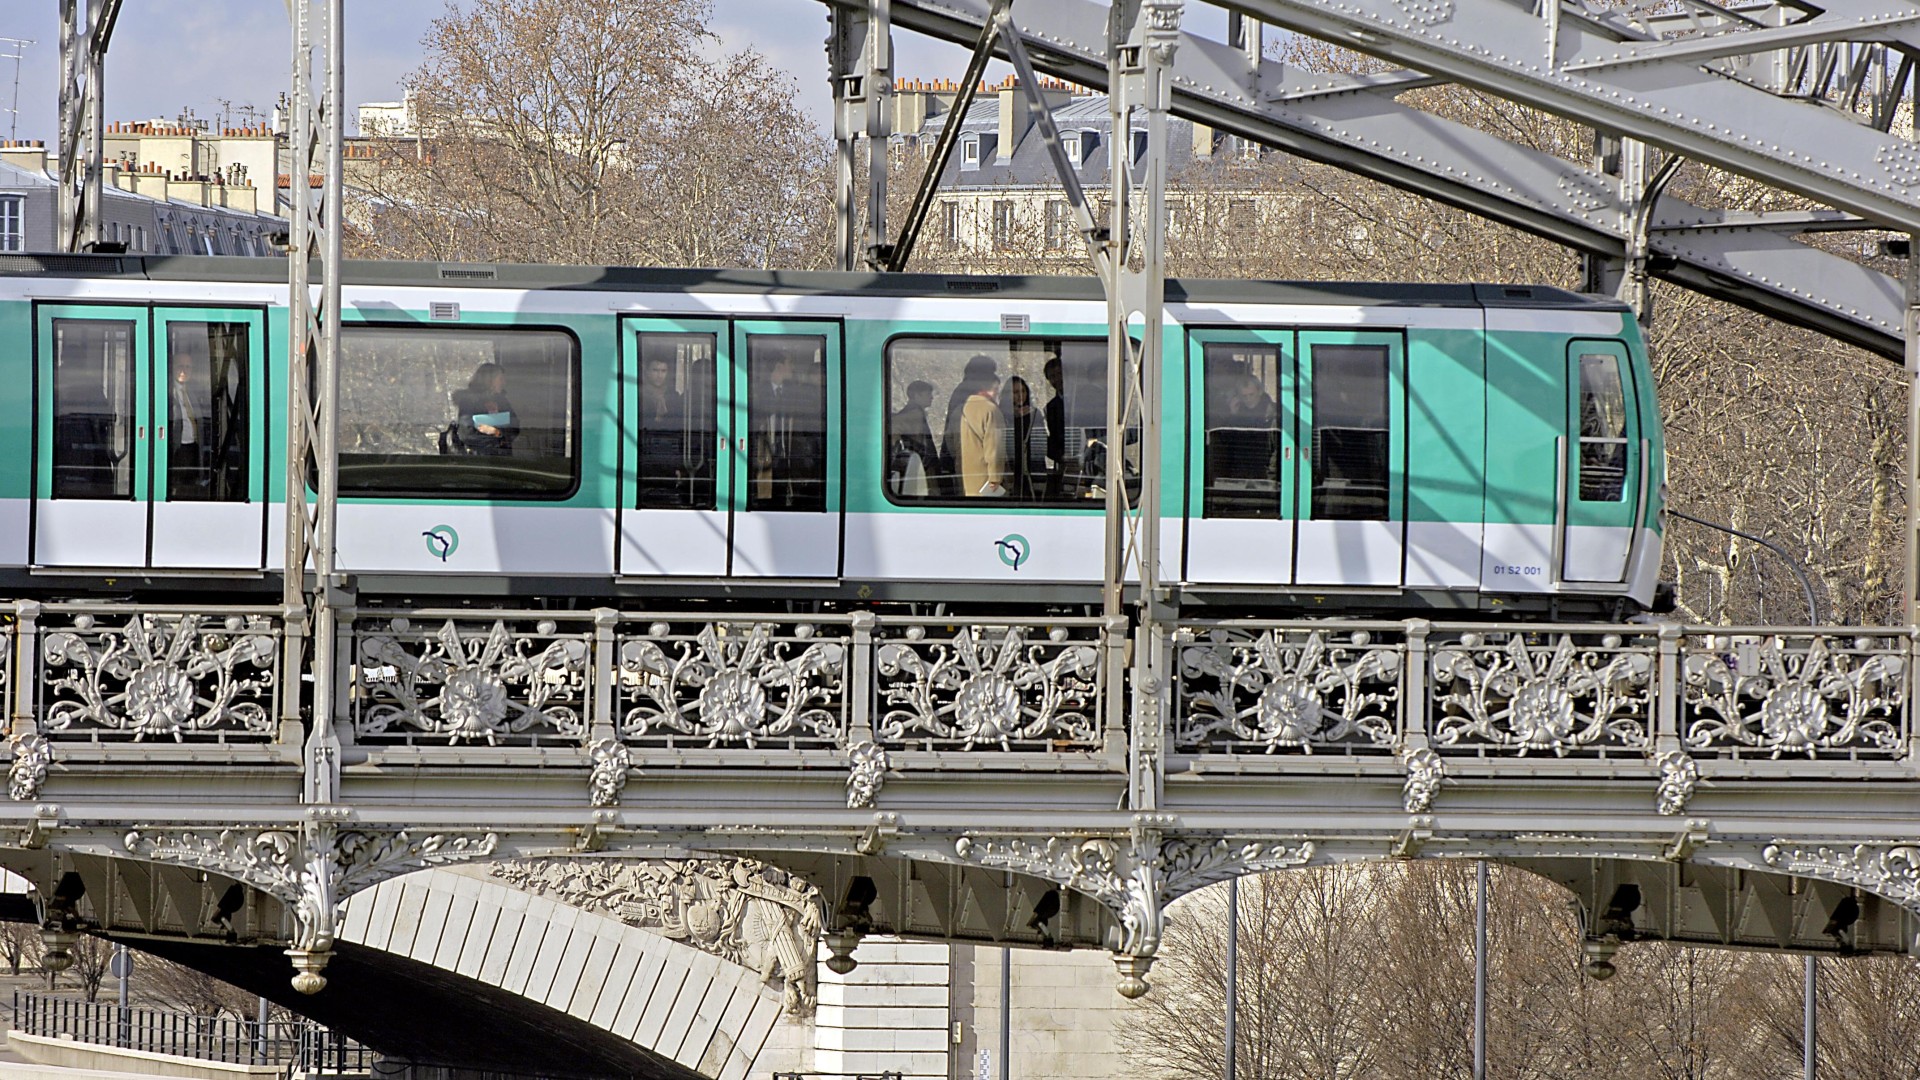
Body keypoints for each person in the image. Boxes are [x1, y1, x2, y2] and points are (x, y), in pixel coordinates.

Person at [946, 355, 1006, 497]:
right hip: (983, 476)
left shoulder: (959, 397)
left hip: (963, 468)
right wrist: (995, 478)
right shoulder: (989, 408)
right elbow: (994, 448)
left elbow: (950, 438)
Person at [453, 362, 518, 457]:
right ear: (489, 380)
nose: (503, 383)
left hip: (503, 456)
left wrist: (497, 432)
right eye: (500, 379)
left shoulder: (502, 401)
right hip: (480, 458)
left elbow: (515, 426)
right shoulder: (469, 401)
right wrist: (491, 439)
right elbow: (466, 433)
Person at [890, 380, 939, 498]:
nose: (931, 397)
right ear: (916, 395)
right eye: (927, 394)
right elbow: (921, 444)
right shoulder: (913, 415)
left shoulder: (913, 413)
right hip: (921, 467)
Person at [1005, 375, 1042, 500]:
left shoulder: (1034, 414)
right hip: (1011, 465)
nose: (1020, 395)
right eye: (1015, 392)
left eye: (1023, 391)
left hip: (1032, 465)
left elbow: (1040, 442)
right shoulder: (1002, 414)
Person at [1042, 357, 1066, 499]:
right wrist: (1061, 457)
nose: (1057, 379)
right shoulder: (1050, 407)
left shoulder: (1084, 399)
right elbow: (1054, 438)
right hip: (1064, 463)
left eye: (1059, 374)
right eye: (1052, 377)